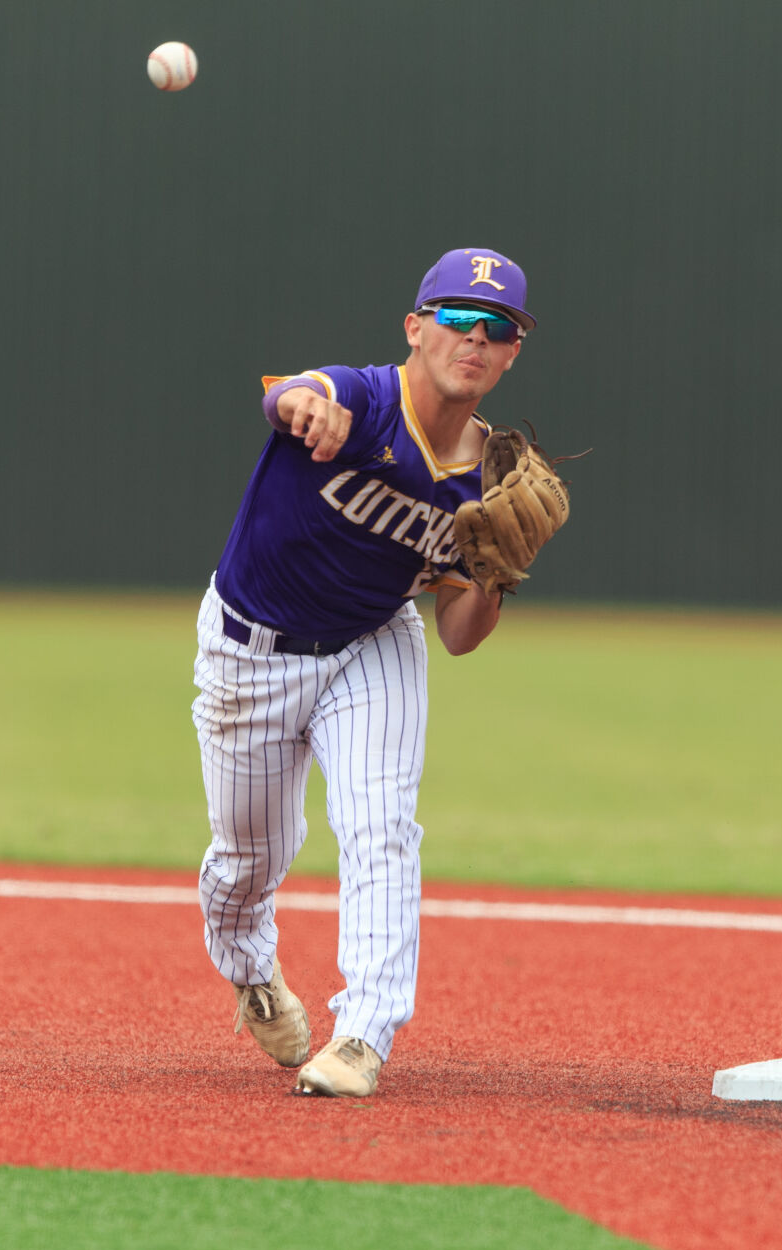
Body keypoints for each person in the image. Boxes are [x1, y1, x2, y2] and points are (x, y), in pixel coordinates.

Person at [193, 247, 537, 1097]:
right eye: (458, 319)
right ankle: (252, 969)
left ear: (513, 352)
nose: (477, 339)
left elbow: (458, 632)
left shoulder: (489, 477)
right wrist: (305, 405)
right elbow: (287, 393)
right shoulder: (363, 394)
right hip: (253, 649)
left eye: (499, 329)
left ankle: (364, 1033)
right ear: (416, 328)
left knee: (380, 825)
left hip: (371, 644)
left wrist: (496, 574)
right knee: (247, 857)